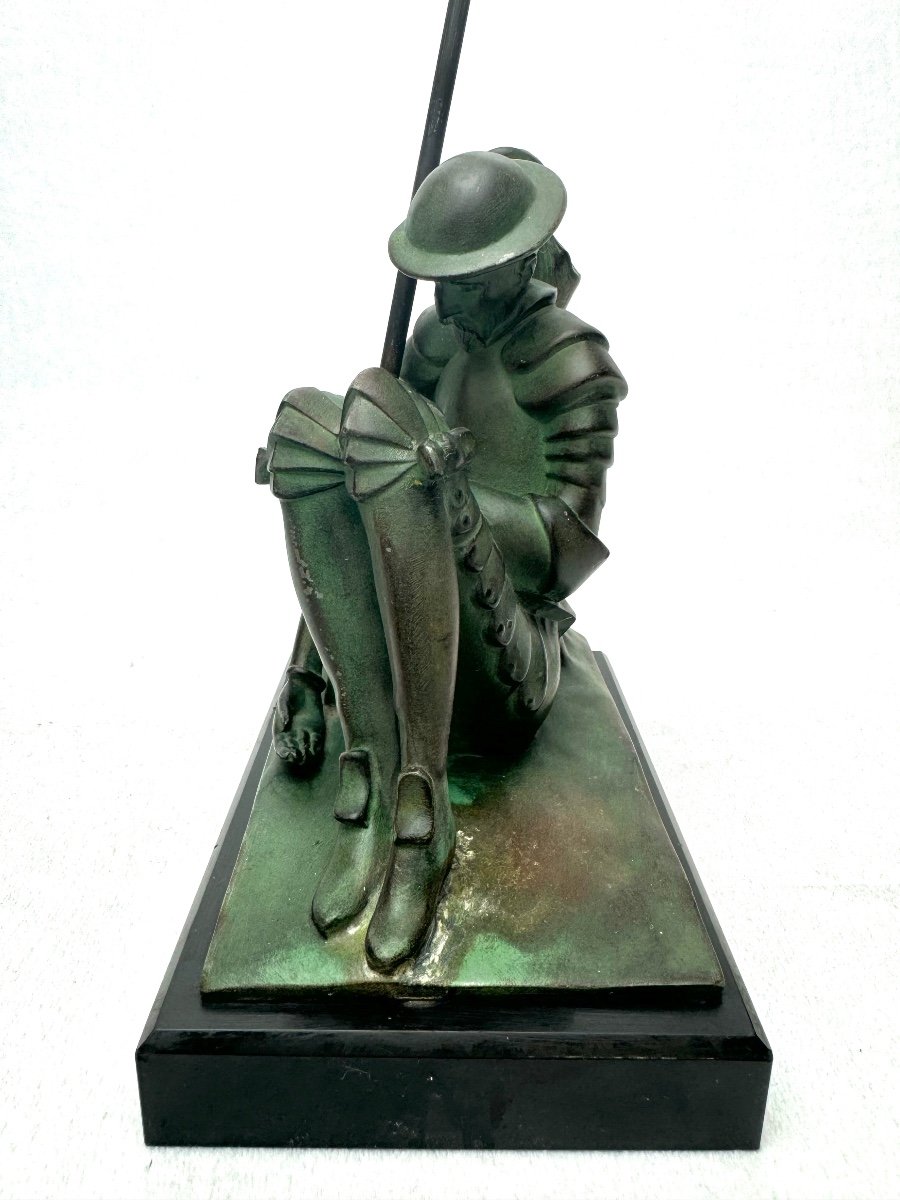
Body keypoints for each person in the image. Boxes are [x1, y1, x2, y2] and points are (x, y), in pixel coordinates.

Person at [258, 149, 627, 972]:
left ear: (520, 264)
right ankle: (369, 771)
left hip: (505, 658)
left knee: (392, 437)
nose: (446, 300)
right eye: (437, 281)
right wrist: (305, 676)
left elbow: (563, 556)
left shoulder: (572, 366)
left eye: (468, 282)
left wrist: (452, 491)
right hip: (404, 648)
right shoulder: (434, 339)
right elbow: (371, 513)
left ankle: (422, 812)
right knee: (307, 427)